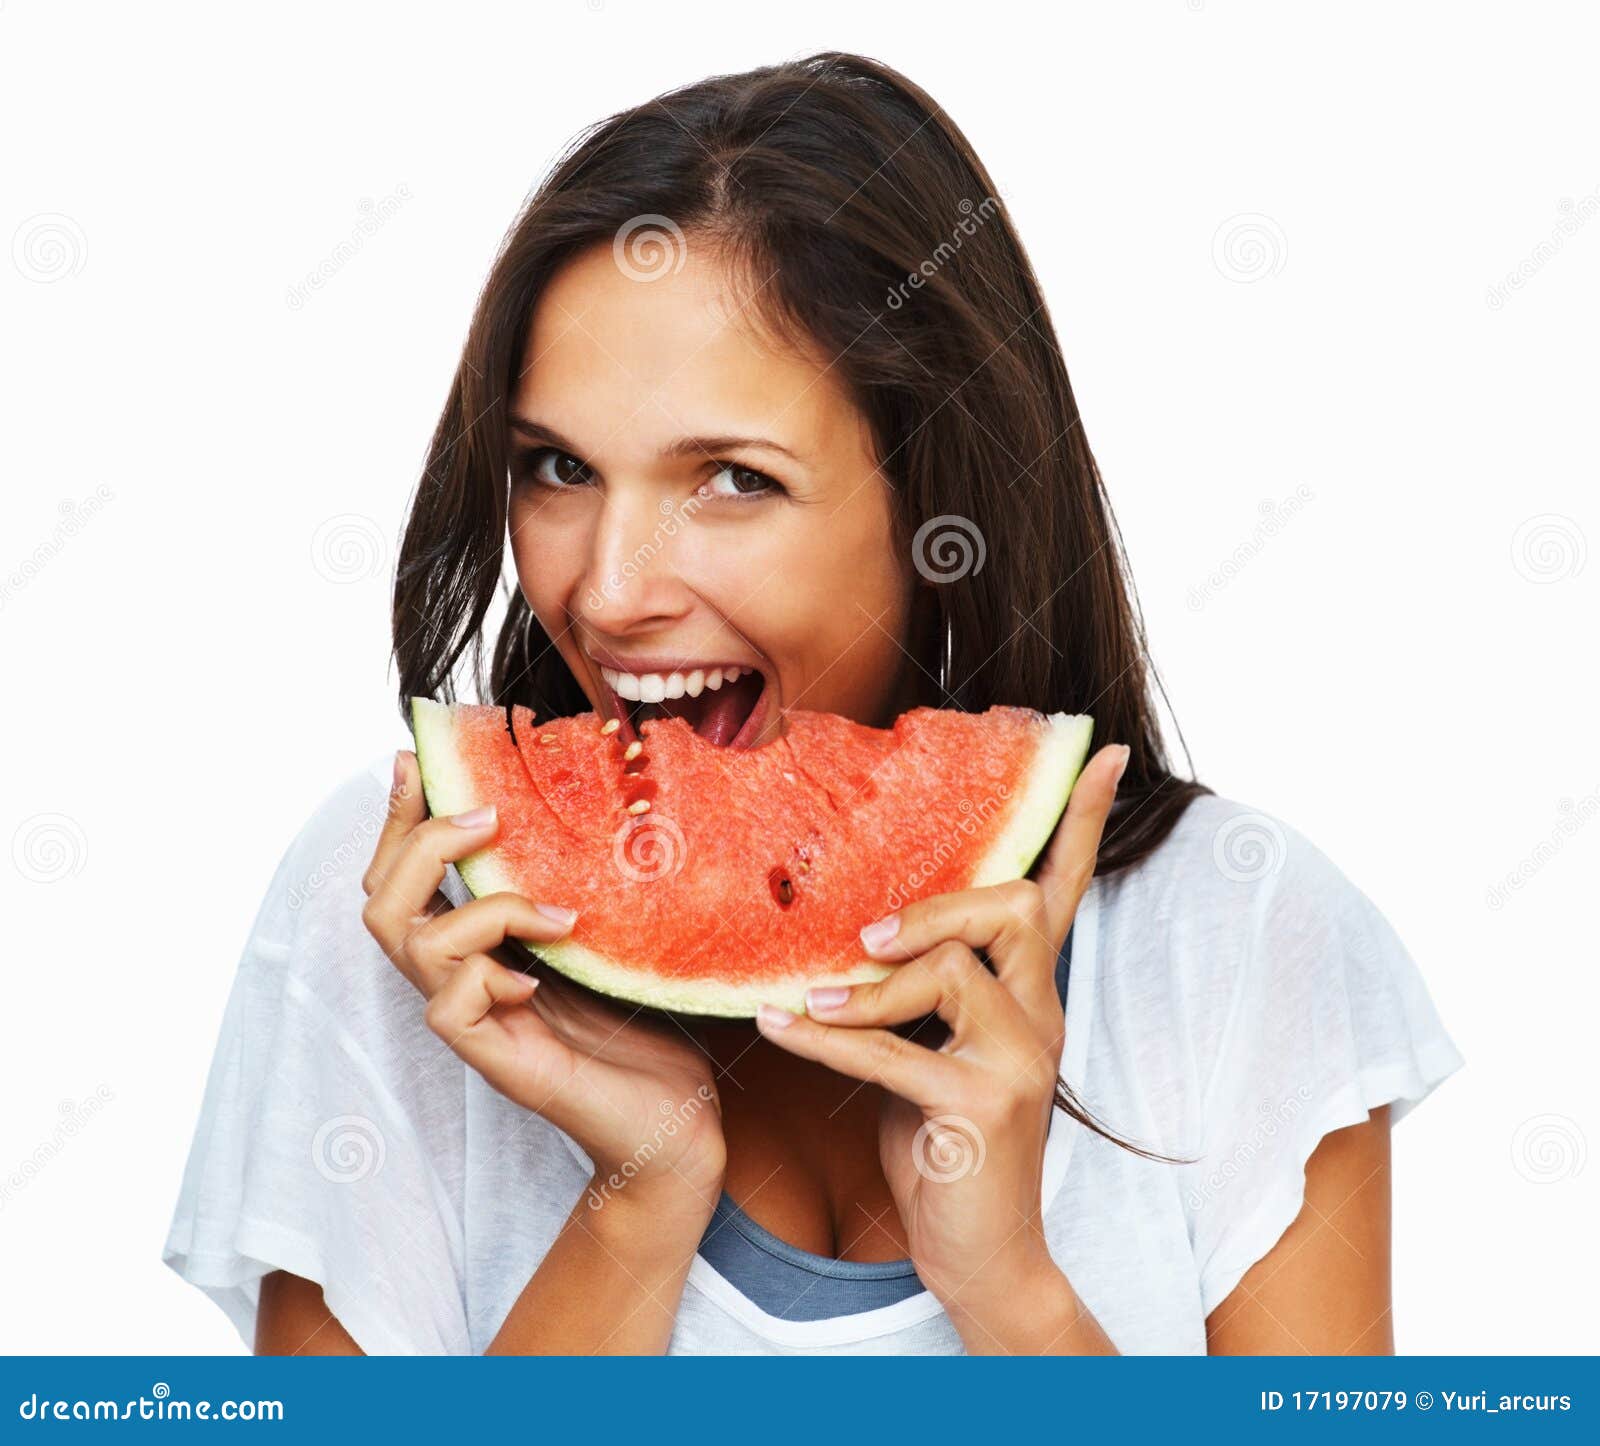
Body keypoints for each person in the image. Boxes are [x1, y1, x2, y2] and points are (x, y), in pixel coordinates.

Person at [163, 52, 1463, 1355]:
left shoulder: (1240, 940)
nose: (606, 590)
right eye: (556, 465)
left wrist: (1010, 1285)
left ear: (938, 501)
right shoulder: (400, 908)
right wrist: (636, 1202)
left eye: (731, 478)